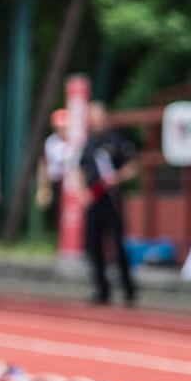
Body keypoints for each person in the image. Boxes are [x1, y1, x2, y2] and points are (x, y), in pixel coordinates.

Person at [74, 101, 140, 304]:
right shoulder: (88, 144)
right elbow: (79, 170)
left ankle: (128, 289)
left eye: (98, 115)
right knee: (93, 246)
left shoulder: (117, 141)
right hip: (94, 199)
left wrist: (117, 177)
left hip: (112, 199)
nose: (96, 120)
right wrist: (82, 193)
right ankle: (102, 290)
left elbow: (133, 166)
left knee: (118, 244)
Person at [37, 109, 71, 239]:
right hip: (56, 181)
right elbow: (44, 164)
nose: (62, 130)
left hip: (72, 183)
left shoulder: (76, 140)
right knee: (56, 215)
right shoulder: (50, 142)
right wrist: (43, 188)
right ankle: (57, 240)